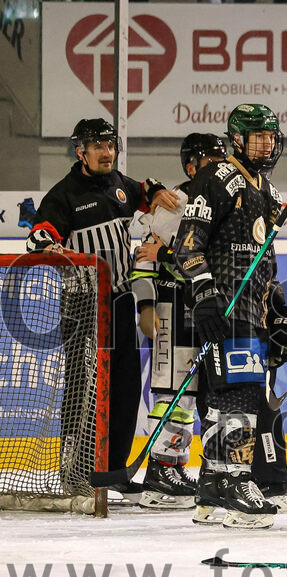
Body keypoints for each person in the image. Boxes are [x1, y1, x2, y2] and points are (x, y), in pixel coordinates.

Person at [26, 118, 179, 501]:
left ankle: (113, 471)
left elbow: (146, 189)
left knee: (126, 388)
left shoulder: (119, 185)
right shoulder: (64, 194)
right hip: (83, 305)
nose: (106, 152)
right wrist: (45, 243)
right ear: (81, 152)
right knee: (85, 389)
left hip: (121, 302)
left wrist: (157, 191)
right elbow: (39, 234)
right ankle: (76, 471)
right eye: (97, 146)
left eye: (110, 145)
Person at [174, 104, 287, 529]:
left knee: (225, 397)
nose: (266, 144)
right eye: (257, 136)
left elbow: (266, 261)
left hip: (252, 311)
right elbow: (187, 245)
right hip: (225, 308)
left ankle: (212, 486)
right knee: (239, 395)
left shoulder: (268, 191)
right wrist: (205, 294)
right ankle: (237, 480)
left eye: (270, 136)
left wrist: (279, 310)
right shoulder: (218, 179)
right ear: (238, 140)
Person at [130, 133, 227, 509]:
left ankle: (179, 467)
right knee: (175, 393)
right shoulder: (174, 203)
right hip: (174, 306)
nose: (218, 167)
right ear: (191, 166)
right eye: (209, 161)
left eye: (221, 159)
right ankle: (161, 471)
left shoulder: (223, 201)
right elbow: (145, 257)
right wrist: (145, 306)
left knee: (202, 395)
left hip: (209, 309)